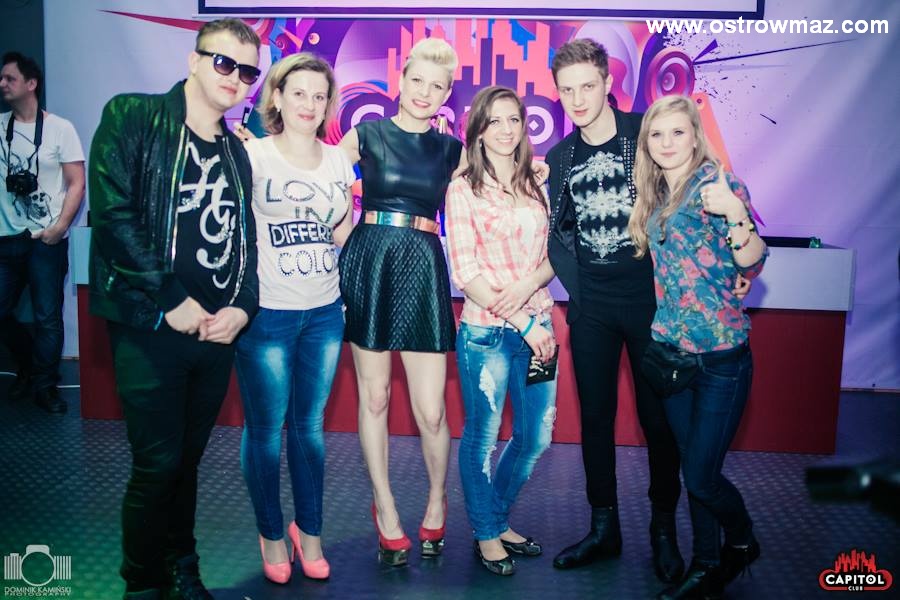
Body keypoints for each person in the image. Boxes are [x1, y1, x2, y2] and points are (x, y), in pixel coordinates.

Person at [89, 18, 261, 599]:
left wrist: (244, 307)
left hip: (215, 334)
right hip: (151, 326)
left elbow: (244, 240)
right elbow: (112, 216)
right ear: (194, 60)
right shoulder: (133, 116)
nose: (235, 78)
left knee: (186, 463)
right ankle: (143, 585)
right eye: (224, 63)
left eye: (247, 71)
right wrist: (171, 300)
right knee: (157, 464)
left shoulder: (236, 152)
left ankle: (182, 569)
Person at [629, 94, 767, 599]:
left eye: (677, 132)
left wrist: (735, 212)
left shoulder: (718, 186)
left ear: (694, 136)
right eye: (657, 134)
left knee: (703, 476)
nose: (667, 143)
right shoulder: (653, 193)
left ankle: (742, 540)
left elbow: (753, 260)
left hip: (721, 357)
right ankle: (706, 564)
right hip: (672, 355)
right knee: (692, 468)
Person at [337, 37, 463, 566]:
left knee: (431, 411)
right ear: (401, 79)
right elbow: (322, 183)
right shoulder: (365, 135)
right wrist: (345, 245)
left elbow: (493, 194)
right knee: (374, 399)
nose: (424, 93)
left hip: (423, 267)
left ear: (447, 94)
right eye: (417, 81)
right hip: (370, 263)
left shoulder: (452, 151)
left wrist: (537, 172)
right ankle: (385, 507)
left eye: (437, 86)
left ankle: (436, 500)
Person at [233, 52, 353, 584]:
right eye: (298, 93)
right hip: (267, 315)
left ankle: (310, 532)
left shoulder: (337, 162)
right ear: (277, 98)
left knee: (309, 431)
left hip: (324, 313)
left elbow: (342, 228)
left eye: (319, 96)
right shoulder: (252, 156)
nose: (309, 104)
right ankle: (271, 534)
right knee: (265, 432)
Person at [445, 86, 558, 576]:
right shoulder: (462, 189)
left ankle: (495, 518)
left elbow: (555, 254)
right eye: (495, 121)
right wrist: (524, 321)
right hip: (486, 333)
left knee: (536, 437)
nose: (507, 130)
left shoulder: (537, 182)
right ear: (478, 131)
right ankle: (488, 533)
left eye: (514, 119)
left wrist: (530, 292)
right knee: (482, 437)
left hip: (540, 328)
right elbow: (465, 272)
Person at [0, 51, 85, 413]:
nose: (2, 84)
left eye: (10, 78)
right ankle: (26, 367)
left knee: (47, 318)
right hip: (5, 239)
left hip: (45, 240)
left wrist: (59, 228)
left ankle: (45, 386)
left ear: (31, 84)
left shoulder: (59, 128)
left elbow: (77, 182)